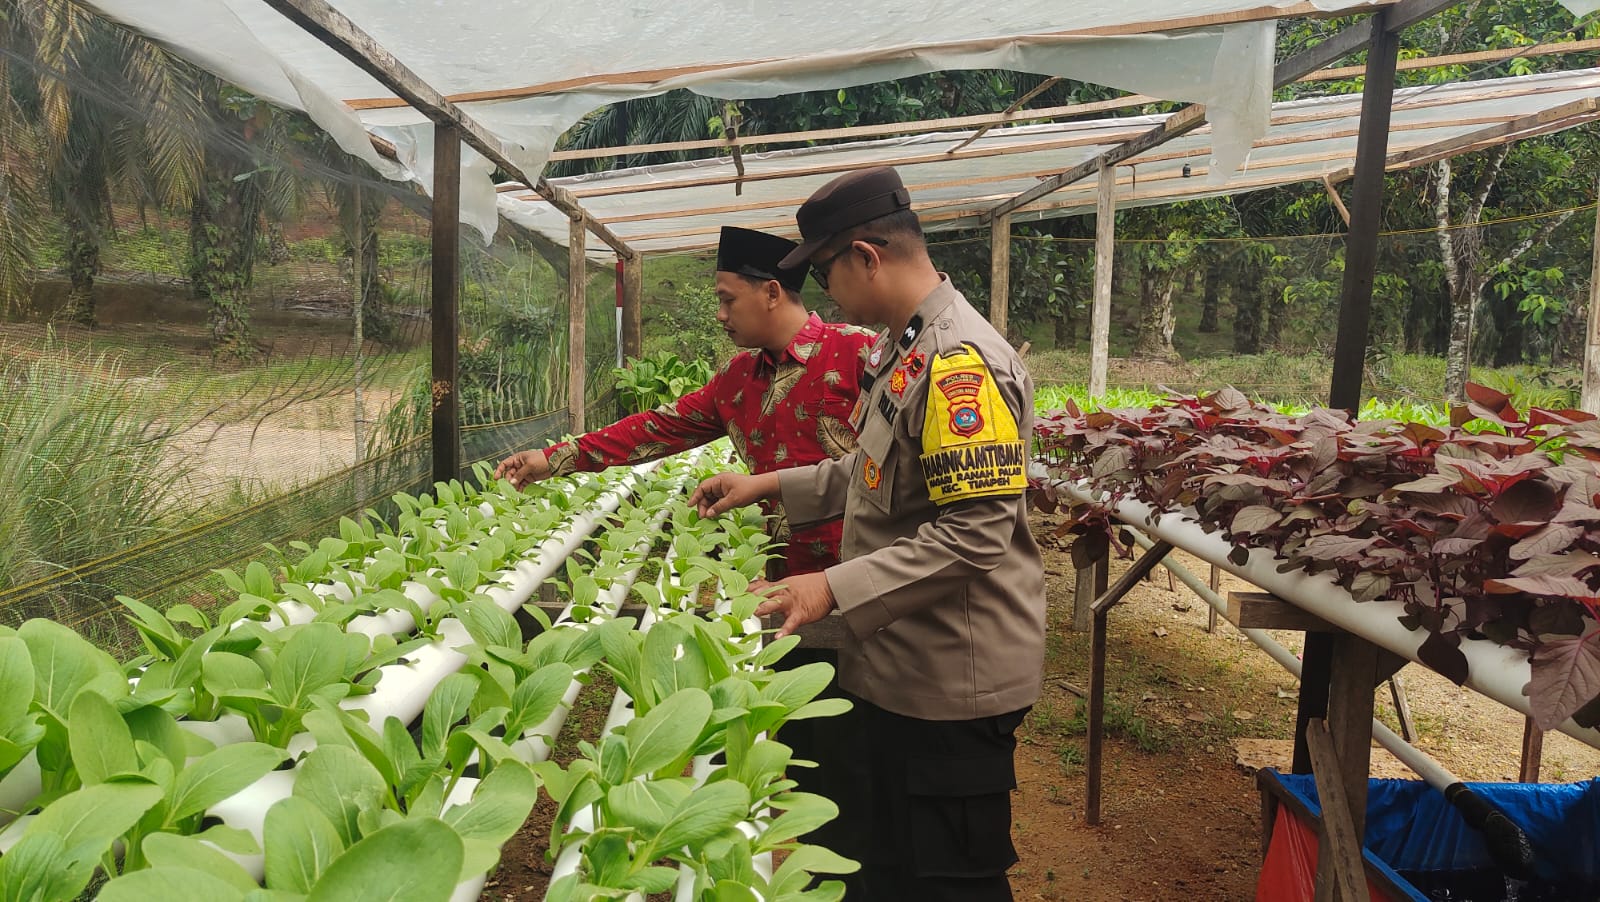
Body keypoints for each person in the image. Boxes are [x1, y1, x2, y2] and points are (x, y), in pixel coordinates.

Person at [690, 167, 1046, 902]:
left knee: (951, 880)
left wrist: (830, 588)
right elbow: (873, 474)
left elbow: (975, 537)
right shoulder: (905, 349)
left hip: (954, 678)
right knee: (885, 865)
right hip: (903, 661)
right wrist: (768, 484)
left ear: (867, 256)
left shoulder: (958, 365)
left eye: (823, 271)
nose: (823, 292)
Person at [494, 225, 876, 578]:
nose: (720, 314)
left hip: (869, 576)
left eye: (728, 300)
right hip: (785, 581)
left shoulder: (859, 352)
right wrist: (554, 457)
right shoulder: (738, 378)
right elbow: (657, 427)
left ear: (772, 293)